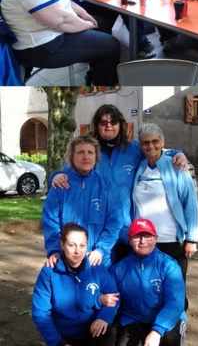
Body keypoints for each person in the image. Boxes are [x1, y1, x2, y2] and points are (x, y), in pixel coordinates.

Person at [50, 105, 187, 264]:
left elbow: (156, 151)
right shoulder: (89, 151)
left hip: (125, 230)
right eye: (103, 122)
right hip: (96, 227)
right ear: (96, 125)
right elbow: (68, 170)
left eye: (113, 121)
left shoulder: (133, 149)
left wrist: (178, 153)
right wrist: (55, 175)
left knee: (122, 279)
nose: (108, 125)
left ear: (120, 124)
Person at [32, 222, 119, 346]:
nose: (77, 251)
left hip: (92, 329)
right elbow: (40, 312)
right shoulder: (49, 271)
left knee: (106, 337)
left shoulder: (96, 267)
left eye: (82, 245)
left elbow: (114, 296)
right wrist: (58, 342)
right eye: (72, 245)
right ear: (62, 245)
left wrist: (103, 317)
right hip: (63, 335)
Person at [131, 123, 198, 284]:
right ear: (140, 146)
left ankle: (178, 310)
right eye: (146, 142)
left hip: (170, 239)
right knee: (149, 285)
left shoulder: (177, 166)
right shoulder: (140, 167)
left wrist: (192, 239)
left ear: (162, 142)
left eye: (155, 141)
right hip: (144, 240)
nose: (151, 146)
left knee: (173, 284)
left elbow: (191, 203)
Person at [42, 136, 122, 268]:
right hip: (66, 259)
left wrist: (101, 250)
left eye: (90, 152)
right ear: (71, 157)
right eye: (80, 152)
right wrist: (56, 250)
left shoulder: (107, 187)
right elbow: (50, 222)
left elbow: (115, 221)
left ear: (96, 157)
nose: (86, 157)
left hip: (98, 260)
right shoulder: (60, 186)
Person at [111, 218, 187, 346]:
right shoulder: (119, 269)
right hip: (133, 319)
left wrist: (157, 330)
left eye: (147, 236)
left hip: (166, 318)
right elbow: (113, 300)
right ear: (129, 240)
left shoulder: (169, 266)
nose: (142, 241)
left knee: (170, 339)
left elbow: (175, 303)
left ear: (156, 238)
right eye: (137, 237)